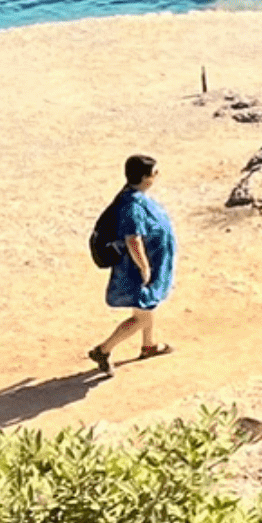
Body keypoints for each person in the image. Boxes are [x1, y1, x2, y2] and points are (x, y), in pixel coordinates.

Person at [89, 155, 174, 376]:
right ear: (145, 178)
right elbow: (133, 239)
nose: (157, 176)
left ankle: (149, 345)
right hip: (136, 268)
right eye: (154, 173)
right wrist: (144, 267)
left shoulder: (134, 196)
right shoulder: (131, 206)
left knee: (148, 304)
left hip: (144, 265)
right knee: (141, 315)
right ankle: (103, 350)